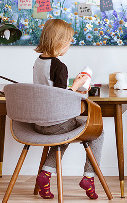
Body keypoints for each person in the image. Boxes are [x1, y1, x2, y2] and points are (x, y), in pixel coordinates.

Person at [33, 19, 103, 200]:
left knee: (63, 134)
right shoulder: (59, 66)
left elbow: (50, 91)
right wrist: (78, 85)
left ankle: (45, 175)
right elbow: (61, 98)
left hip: (39, 123)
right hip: (56, 123)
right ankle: (89, 177)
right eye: (69, 41)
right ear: (59, 42)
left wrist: (72, 86)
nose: (69, 45)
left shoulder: (38, 62)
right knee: (98, 131)